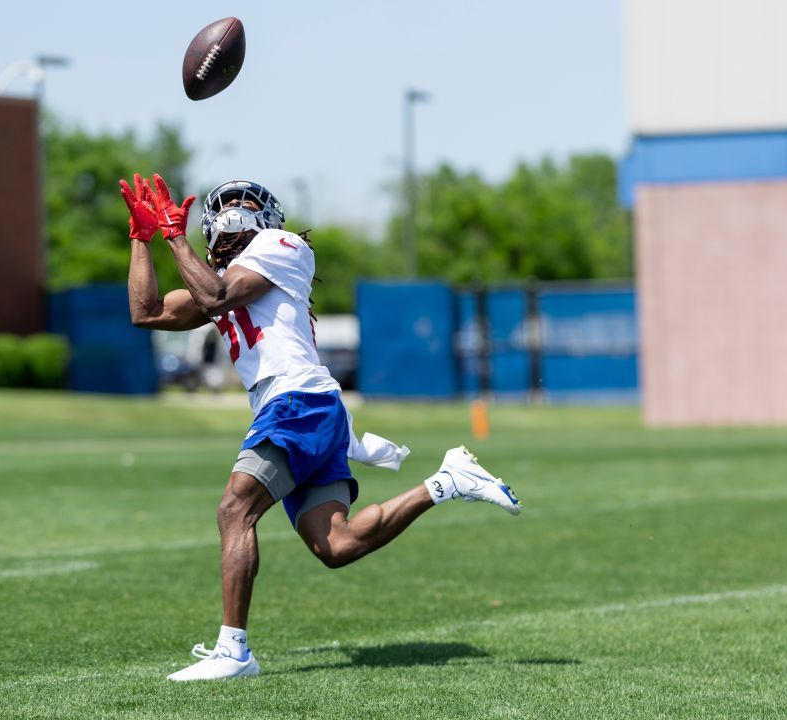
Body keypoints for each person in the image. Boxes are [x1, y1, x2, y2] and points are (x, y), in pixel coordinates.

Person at [119, 173, 522, 682]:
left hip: (297, 402)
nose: (233, 211)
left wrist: (175, 237)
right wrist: (141, 239)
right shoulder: (216, 275)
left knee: (234, 509)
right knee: (337, 546)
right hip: (305, 409)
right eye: (226, 206)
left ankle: (234, 650)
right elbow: (146, 312)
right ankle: (447, 482)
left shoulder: (280, 247)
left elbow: (219, 296)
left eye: (243, 203)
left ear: (267, 217)